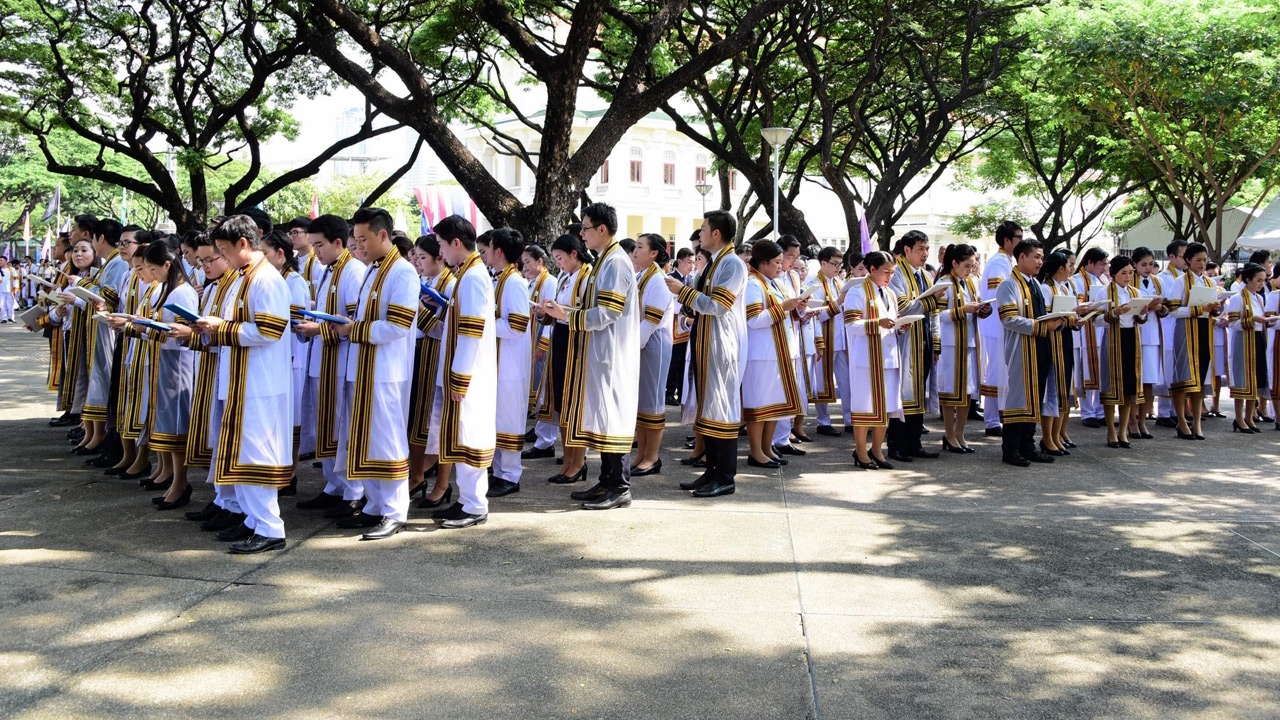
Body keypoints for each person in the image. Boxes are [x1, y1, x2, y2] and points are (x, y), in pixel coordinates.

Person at [193, 215, 294, 554]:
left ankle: (269, 527)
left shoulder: (266, 280)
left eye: (223, 249)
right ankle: (253, 522)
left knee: (255, 456)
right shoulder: (242, 278)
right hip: (241, 379)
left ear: (243, 245)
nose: (221, 256)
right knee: (243, 454)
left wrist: (220, 328)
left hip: (259, 382)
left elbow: (270, 330)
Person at [326, 207, 419, 540]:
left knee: (387, 439)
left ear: (383, 236)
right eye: (356, 239)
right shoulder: (373, 269)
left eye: (363, 239)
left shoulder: (403, 272)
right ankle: (374, 506)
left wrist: (356, 329)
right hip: (363, 369)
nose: (358, 245)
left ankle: (395, 511)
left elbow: (398, 325)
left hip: (385, 373)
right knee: (364, 439)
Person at [543, 203, 640, 509]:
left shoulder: (615, 263)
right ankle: (607, 480)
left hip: (613, 353)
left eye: (584, 228)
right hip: (600, 351)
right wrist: (564, 312)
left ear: (601, 229)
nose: (581, 235)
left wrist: (568, 317)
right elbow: (592, 310)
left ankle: (620, 485)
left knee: (613, 416)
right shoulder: (605, 260)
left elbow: (609, 312)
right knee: (604, 415)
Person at [291, 215, 370, 519]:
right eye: (312, 245)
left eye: (319, 245)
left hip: (340, 362)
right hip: (322, 360)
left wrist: (318, 329)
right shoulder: (329, 270)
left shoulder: (352, 272)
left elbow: (351, 324)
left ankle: (353, 492)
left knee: (341, 427)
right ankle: (334, 486)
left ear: (338, 242)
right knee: (325, 425)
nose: (316, 252)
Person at [665, 210, 747, 497]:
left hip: (720, 345)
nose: (699, 234)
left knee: (721, 410)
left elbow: (720, 306)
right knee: (708, 408)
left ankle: (725, 475)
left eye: (703, 229)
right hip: (705, 342)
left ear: (716, 233)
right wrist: (686, 297)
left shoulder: (733, 264)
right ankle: (712, 470)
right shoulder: (715, 263)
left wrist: (683, 292)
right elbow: (702, 302)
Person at [431, 214, 498, 528]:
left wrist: (459, 378)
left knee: (469, 435)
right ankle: (466, 500)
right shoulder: (469, 274)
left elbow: (470, 331)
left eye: (443, 245)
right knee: (462, 435)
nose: (441, 252)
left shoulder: (471, 276)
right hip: (469, 371)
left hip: (469, 375)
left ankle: (474, 505)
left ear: (456, 242)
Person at [126, 240, 198, 509]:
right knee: (166, 422)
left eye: (154, 269)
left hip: (177, 364)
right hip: (163, 360)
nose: (151, 275)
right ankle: (171, 476)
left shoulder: (183, 293)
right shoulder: (168, 290)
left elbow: (181, 334)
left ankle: (180, 482)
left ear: (168, 265)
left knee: (176, 425)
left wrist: (144, 328)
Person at [998, 239, 1064, 467]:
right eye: (1036, 256)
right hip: (1020, 349)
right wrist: (1043, 326)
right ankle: (1011, 449)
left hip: (1040, 347)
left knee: (1036, 398)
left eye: (1041, 257)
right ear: (1022, 257)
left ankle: (1028, 445)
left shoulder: (1034, 284)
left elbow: (1041, 313)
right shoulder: (1009, 285)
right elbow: (1008, 319)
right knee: (1019, 398)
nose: (1040, 261)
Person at [528, 235, 592, 471]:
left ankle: (578, 461)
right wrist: (544, 313)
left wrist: (558, 311)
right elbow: (558, 310)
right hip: (561, 339)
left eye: (561, 258)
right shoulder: (566, 276)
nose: (559, 264)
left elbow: (587, 313)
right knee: (561, 404)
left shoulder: (588, 277)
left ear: (574, 253)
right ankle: (568, 460)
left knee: (574, 403)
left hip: (577, 342)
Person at [742, 240, 804, 469]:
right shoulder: (753, 285)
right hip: (761, 355)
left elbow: (786, 313)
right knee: (759, 406)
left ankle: (767, 448)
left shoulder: (774, 284)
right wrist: (783, 308)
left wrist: (798, 306)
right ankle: (756, 451)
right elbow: (754, 320)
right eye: (777, 262)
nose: (781, 266)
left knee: (774, 406)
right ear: (763, 263)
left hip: (778, 353)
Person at [479, 228, 532, 497]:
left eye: (487, 249)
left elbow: (518, 325)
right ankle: (499, 471)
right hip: (498, 362)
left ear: (498, 251)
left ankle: (510, 475)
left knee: (509, 418)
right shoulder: (499, 279)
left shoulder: (514, 283)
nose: (484, 254)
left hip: (510, 364)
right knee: (498, 418)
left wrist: (483, 323)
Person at [404, 233, 454, 507]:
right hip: (419, 355)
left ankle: (440, 483)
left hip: (438, 356)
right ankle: (417, 475)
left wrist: (420, 310)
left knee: (436, 422)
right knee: (417, 420)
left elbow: (445, 329)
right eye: (416, 258)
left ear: (440, 257)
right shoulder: (424, 282)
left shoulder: (452, 284)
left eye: (423, 258)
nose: (418, 263)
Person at [887, 230, 942, 463]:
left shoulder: (926, 276)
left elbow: (935, 311)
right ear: (906, 250)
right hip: (906, 342)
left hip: (925, 341)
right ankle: (897, 446)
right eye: (921, 249)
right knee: (904, 394)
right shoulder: (898, 273)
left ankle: (915, 442)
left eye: (927, 249)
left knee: (919, 393)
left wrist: (936, 342)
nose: (925, 254)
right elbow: (902, 307)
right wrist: (930, 300)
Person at [262, 230, 310, 496]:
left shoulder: (294, 282)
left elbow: (299, 324)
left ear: (280, 254)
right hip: (277, 358)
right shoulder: (271, 279)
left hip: (292, 356)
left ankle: (288, 473)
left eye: (266, 253)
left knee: (290, 419)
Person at [845, 251, 902, 470]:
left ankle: (877, 448)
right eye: (886, 272)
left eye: (892, 272)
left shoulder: (890, 293)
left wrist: (899, 326)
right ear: (872, 270)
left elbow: (891, 321)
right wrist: (878, 322)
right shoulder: (857, 292)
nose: (889, 276)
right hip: (866, 358)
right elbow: (851, 324)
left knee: (885, 406)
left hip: (887, 356)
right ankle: (860, 449)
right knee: (864, 406)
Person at [1163, 242, 1221, 440]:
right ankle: (1181, 421)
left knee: (1201, 378)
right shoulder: (1180, 282)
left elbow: (1214, 309)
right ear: (1188, 260)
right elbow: (1173, 310)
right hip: (1186, 331)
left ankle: (1196, 422)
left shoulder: (1210, 283)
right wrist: (1198, 309)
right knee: (1184, 377)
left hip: (1205, 330)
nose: (1202, 264)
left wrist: (1214, 309)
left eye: (1205, 260)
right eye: (1198, 260)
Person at [81, 217, 128, 458]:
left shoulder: (118, 263)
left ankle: (105, 435)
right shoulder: (110, 263)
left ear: (100, 237)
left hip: (112, 329)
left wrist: (83, 286)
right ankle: (97, 433)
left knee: (106, 377)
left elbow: (111, 296)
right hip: (103, 328)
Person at [936, 243, 989, 453]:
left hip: (969, 341)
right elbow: (936, 316)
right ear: (954, 263)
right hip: (951, 344)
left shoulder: (972, 283)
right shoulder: (943, 284)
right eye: (966, 266)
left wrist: (983, 309)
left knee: (968, 391)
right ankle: (949, 434)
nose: (970, 270)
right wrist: (961, 311)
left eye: (973, 266)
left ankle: (960, 433)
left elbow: (975, 306)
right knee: (950, 392)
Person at [1094, 255, 1150, 448]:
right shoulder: (1104, 293)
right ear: (1113, 274)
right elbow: (1096, 320)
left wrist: (1143, 313)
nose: (1127, 277)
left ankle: (1123, 430)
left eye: (1130, 273)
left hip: (1131, 339)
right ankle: (1111, 430)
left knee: (1129, 388)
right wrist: (1114, 313)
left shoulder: (1135, 292)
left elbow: (1141, 320)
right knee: (1111, 386)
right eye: (1123, 273)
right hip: (1112, 340)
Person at [631, 233, 674, 476]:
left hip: (653, 341)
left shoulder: (658, 280)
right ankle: (641, 454)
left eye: (640, 247)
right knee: (642, 402)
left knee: (653, 401)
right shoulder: (642, 276)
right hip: (642, 341)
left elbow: (651, 320)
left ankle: (652, 457)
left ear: (654, 252)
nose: (635, 251)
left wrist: (633, 345)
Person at [979, 221, 1022, 437]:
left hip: (1002, 324)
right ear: (1007, 240)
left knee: (1002, 372)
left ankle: (999, 416)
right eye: (1018, 238)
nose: (1021, 242)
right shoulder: (998, 262)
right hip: (996, 324)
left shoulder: (1006, 261)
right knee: (996, 372)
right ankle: (992, 419)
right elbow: (999, 296)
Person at [771, 236, 810, 453]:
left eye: (796, 257)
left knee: (792, 389)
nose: (793, 261)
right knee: (777, 391)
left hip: (792, 336)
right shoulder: (771, 278)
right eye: (789, 256)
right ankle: (772, 440)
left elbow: (796, 312)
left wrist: (802, 306)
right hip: (776, 339)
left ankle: (784, 437)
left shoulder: (794, 276)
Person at [1225, 263, 1272, 432]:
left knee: (1257, 378)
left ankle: (1249, 416)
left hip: (1257, 339)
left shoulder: (1258, 298)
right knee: (1242, 379)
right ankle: (1238, 418)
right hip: (1243, 341)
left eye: (1263, 281)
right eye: (1258, 280)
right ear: (1248, 279)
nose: (1261, 284)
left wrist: (1267, 320)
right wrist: (1252, 320)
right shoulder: (1238, 298)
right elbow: (1233, 323)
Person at [812, 246, 850, 436]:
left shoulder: (839, 282)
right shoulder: (815, 284)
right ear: (823, 263)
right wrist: (839, 303)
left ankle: (850, 419)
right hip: (825, 340)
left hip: (842, 339)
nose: (837, 268)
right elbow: (816, 315)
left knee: (846, 381)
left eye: (840, 264)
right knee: (822, 382)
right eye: (834, 264)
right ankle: (823, 421)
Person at [1072, 247, 1109, 428]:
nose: (1104, 267)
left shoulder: (1104, 280)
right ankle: (1087, 412)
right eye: (1101, 263)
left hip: (1100, 329)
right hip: (1085, 331)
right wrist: (1085, 305)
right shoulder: (1076, 280)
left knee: (1102, 370)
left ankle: (1101, 410)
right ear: (1090, 262)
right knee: (1085, 370)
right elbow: (1074, 303)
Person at [666, 244, 696, 405]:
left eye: (693, 262)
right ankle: (669, 392)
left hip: (687, 325)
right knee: (674, 360)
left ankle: (681, 391)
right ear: (679, 261)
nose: (691, 266)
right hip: (673, 324)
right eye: (688, 262)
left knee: (684, 360)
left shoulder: (691, 280)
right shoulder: (671, 279)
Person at [0, 256, 13, 322]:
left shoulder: (11, 269)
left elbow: (14, 279)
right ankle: (4, 317)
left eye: (1, 260)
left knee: (10, 304)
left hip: (9, 289)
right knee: (2, 304)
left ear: (5, 261)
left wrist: (14, 288)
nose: (0, 262)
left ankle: (11, 317)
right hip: (1, 289)